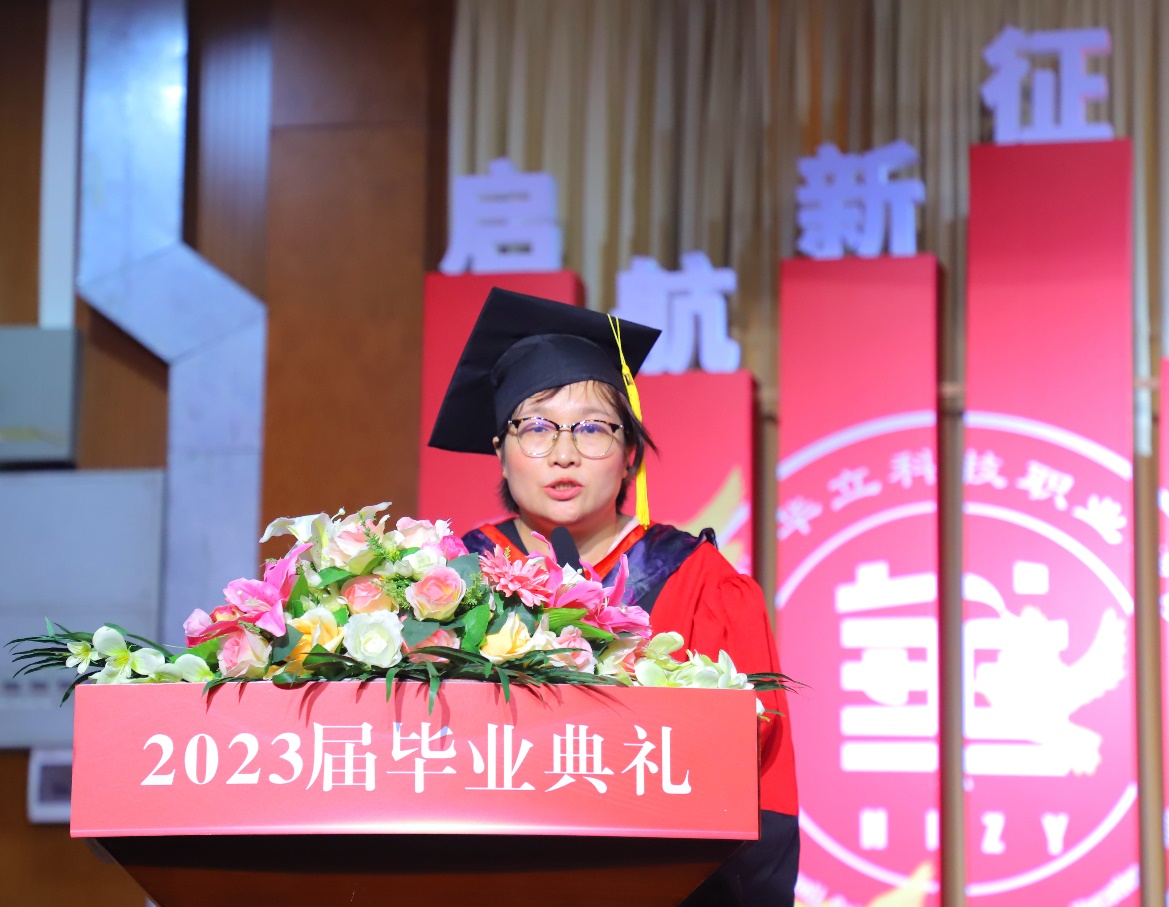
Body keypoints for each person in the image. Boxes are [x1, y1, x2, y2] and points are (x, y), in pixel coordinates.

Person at [429, 288, 799, 906]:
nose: (564, 454)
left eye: (593, 429)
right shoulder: (446, 579)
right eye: (535, 427)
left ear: (630, 455)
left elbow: (757, 771)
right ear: (500, 451)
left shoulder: (699, 580)